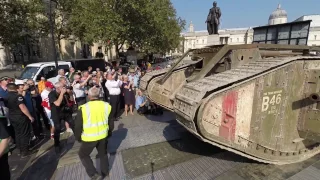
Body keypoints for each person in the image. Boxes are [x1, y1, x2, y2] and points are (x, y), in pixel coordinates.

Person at [75, 87, 111, 180]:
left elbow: (78, 126)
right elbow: (111, 123)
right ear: (99, 96)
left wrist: (78, 137)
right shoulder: (106, 105)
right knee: (103, 153)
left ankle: (94, 174)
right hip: (103, 135)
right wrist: (109, 133)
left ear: (89, 96)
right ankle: (105, 172)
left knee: (83, 154)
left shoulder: (84, 108)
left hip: (89, 137)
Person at [7, 83, 35, 158]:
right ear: (15, 88)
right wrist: (29, 116)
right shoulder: (18, 96)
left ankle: (20, 149)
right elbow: (22, 107)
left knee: (17, 133)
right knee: (24, 134)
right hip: (20, 117)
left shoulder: (6, 96)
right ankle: (25, 151)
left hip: (12, 116)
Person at [48, 82, 74, 153]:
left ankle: (79, 138)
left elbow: (71, 101)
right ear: (58, 88)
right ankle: (57, 145)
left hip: (65, 112)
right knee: (58, 129)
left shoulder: (65, 93)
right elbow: (57, 103)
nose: (64, 88)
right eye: (63, 87)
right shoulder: (52, 94)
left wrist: (70, 94)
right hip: (56, 113)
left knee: (72, 123)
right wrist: (62, 94)